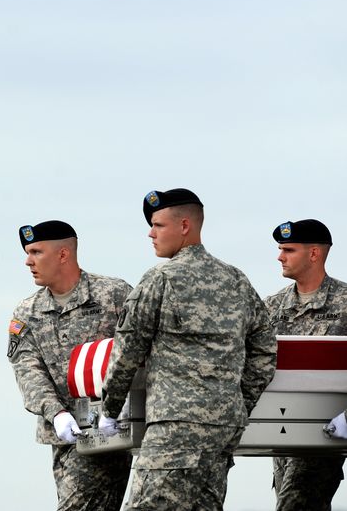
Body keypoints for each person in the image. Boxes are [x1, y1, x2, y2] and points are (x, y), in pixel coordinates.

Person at [100, 188, 277, 510]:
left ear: (185, 226)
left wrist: (109, 410)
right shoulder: (236, 280)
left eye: (158, 225)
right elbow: (265, 352)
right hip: (225, 424)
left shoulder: (160, 279)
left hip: (175, 423)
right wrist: (235, 402)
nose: (151, 234)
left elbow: (128, 350)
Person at [7, 220, 132, 510]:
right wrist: (57, 413)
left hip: (109, 429)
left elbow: (139, 349)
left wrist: (124, 398)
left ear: (63, 254)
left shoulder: (113, 294)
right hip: (63, 433)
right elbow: (27, 368)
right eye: (28, 253)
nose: (28, 261)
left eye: (36, 252)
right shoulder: (27, 311)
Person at [266, 219, 347, 510]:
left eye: (288, 249)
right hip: (280, 435)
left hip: (325, 435)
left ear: (314, 254)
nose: (280, 256)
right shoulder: (272, 307)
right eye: (279, 249)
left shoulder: (345, 304)